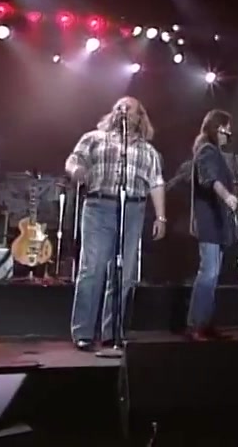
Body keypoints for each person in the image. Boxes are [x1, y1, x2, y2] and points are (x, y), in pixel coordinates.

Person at [65, 96, 167, 351]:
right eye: (118, 107)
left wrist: (161, 217)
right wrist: (76, 171)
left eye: (128, 108)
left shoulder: (148, 151)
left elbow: (156, 182)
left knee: (124, 273)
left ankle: (112, 332)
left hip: (133, 209)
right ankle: (83, 332)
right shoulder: (94, 138)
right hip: (99, 206)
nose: (122, 110)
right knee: (92, 269)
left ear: (139, 117)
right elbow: (74, 159)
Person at [188, 109, 237, 341]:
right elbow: (210, 179)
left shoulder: (214, 152)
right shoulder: (207, 151)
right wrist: (227, 197)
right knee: (208, 273)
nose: (230, 133)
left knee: (213, 274)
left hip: (217, 224)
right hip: (209, 222)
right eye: (227, 128)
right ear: (218, 128)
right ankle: (197, 324)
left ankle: (205, 323)